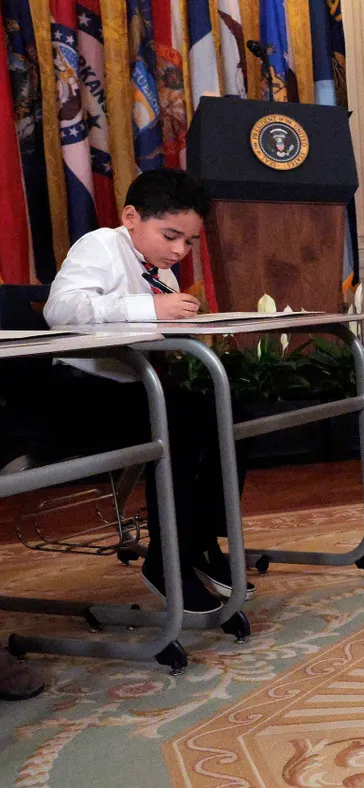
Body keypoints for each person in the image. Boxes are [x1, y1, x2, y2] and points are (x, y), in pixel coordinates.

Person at [41, 168, 251, 614]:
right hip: (81, 392)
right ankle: (167, 561)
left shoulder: (163, 273)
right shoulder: (101, 245)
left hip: (137, 388)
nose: (179, 251)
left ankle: (199, 542)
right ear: (131, 217)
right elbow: (60, 309)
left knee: (232, 412)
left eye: (190, 242)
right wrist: (149, 307)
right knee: (179, 421)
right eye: (170, 236)